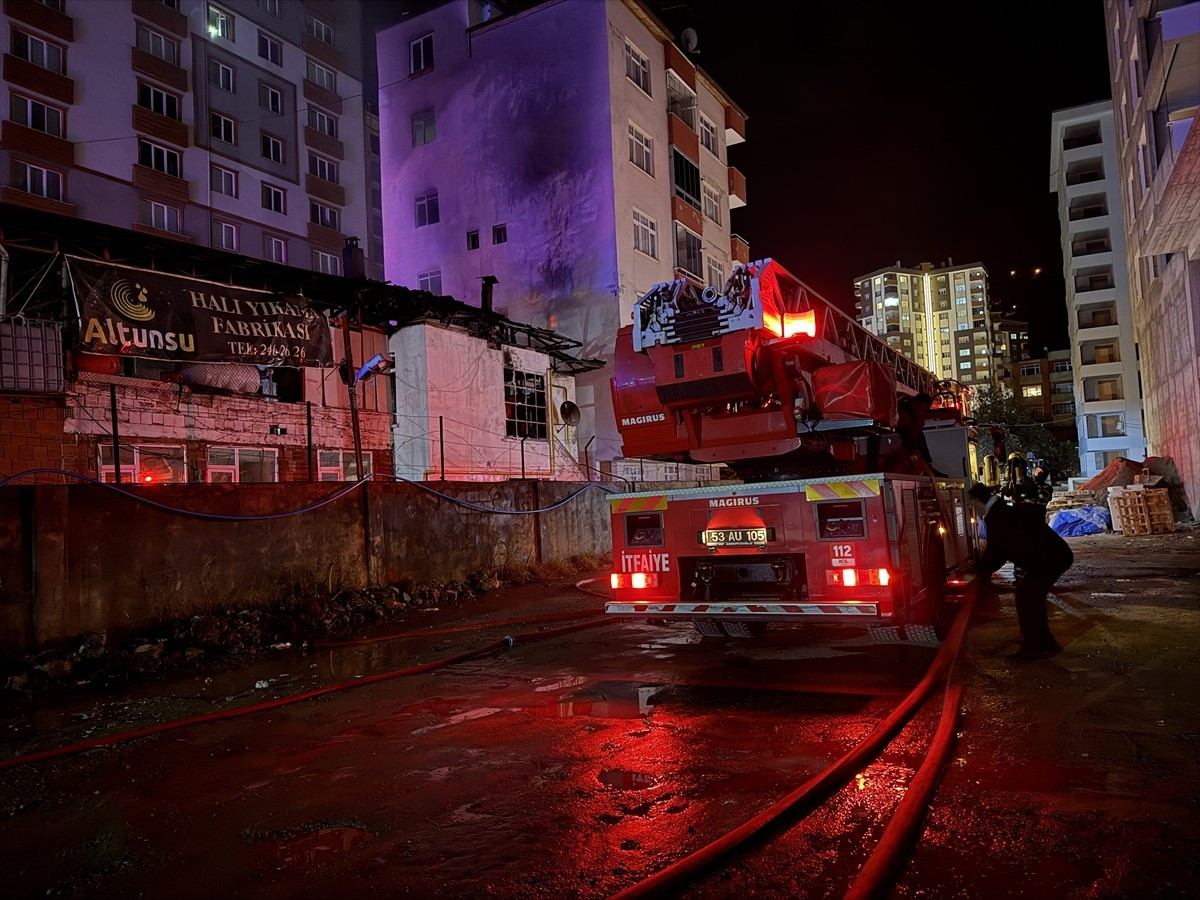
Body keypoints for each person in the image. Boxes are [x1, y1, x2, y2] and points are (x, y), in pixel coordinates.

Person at [968, 482, 1073, 660]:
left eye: (972, 504)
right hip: (1053, 556)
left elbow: (996, 551)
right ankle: (1046, 643)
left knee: (1026, 597)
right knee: (1031, 597)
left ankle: (1034, 647)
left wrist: (978, 571)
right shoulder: (1001, 511)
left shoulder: (997, 516)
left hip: (1050, 558)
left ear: (979, 501)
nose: (973, 509)